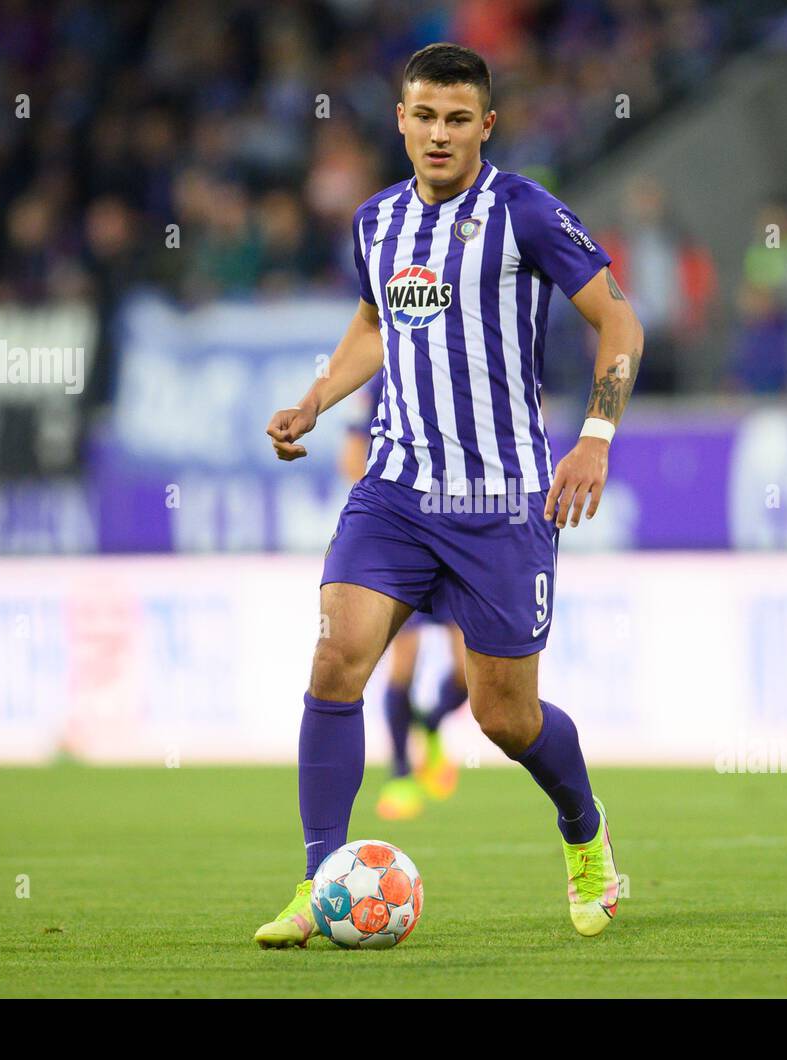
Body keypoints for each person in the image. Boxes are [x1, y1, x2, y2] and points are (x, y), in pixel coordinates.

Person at [253, 42, 643, 946]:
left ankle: (585, 834)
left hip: (502, 503)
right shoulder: (376, 222)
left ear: (486, 126)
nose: (439, 133)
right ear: (401, 119)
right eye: (424, 115)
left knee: (505, 715)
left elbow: (618, 315)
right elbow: (373, 323)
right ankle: (318, 881)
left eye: (458, 119)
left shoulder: (524, 213)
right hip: (394, 489)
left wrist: (595, 436)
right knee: (335, 659)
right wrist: (316, 398)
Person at [337, 370, 466, 821]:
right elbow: (352, 457)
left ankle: (429, 724)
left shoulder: (458, 369)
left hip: (457, 534)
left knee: (470, 676)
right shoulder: (381, 383)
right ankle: (399, 773)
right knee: (404, 660)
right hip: (404, 537)